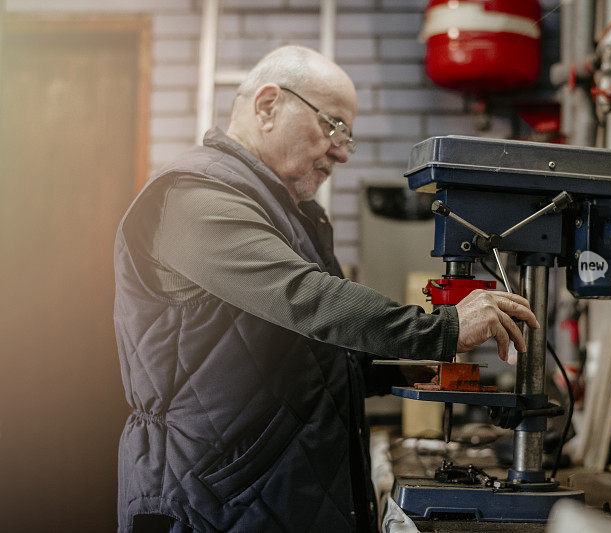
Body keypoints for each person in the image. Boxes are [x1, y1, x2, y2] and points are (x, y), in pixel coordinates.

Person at [114, 45, 538, 532]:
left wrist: (395, 370)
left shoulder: (285, 212)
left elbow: (297, 348)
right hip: (214, 503)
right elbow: (306, 299)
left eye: (348, 137)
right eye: (332, 125)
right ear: (268, 105)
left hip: (269, 496)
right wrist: (442, 329)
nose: (340, 150)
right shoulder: (193, 198)